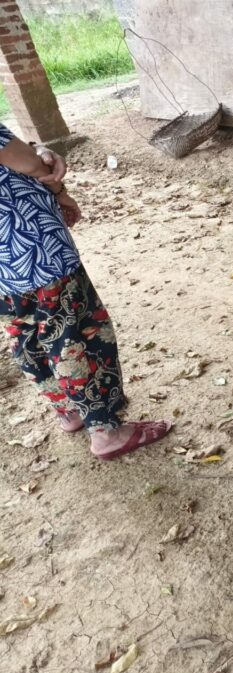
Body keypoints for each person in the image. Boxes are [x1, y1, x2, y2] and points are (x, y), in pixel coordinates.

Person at [0, 123, 171, 459]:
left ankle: (69, 410)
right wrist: (55, 182)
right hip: (33, 248)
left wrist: (35, 148)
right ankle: (106, 431)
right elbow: (26, 163)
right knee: (75, 335)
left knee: (26, 332)